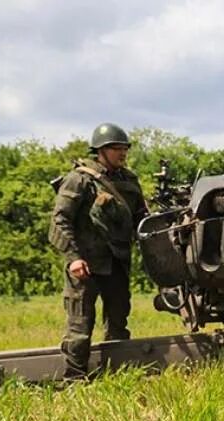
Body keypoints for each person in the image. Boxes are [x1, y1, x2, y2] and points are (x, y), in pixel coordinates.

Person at [48, 123, 148, 380]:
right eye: (116, 148)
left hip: (116, 264)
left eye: (124, 148)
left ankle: (116, 377)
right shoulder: (79, 179)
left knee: (118, 323)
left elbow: (142, 220)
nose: (122, 152)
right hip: (85, 265)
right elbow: (59, 221)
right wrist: (73, 258)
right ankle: (74, 379)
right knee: (80, 326)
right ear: (100, 151)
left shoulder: (129, 180)